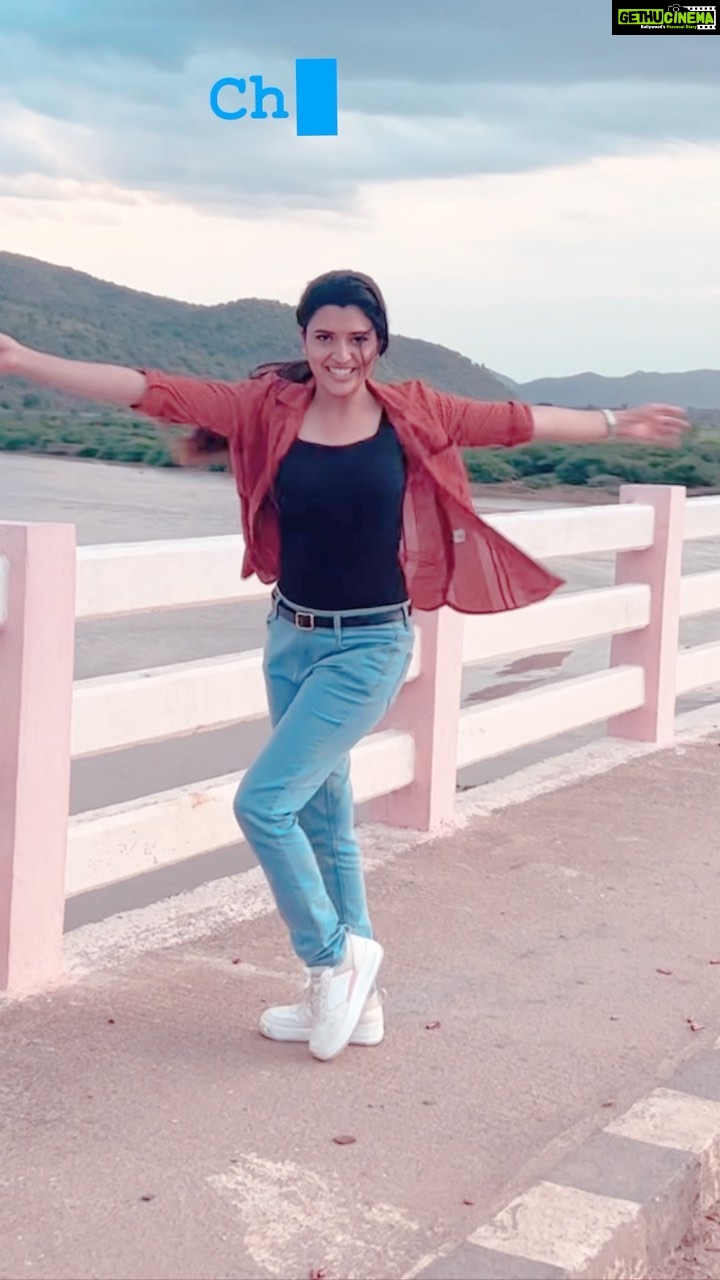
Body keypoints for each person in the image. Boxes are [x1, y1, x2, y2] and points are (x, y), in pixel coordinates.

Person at [0, 269, 689, 1061]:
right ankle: (358, 1006)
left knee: (264, 805)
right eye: (324, 337)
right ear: (304, 340)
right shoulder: (265, 408)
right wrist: (23, 359)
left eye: (358, 339)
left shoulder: (414, 412)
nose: (341, 354)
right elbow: (150, 389)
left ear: (378, 344)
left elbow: (516, 421)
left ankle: (334, 960)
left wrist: (616, 422)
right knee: (325, 822)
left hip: (369, 646)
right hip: (290, 639)